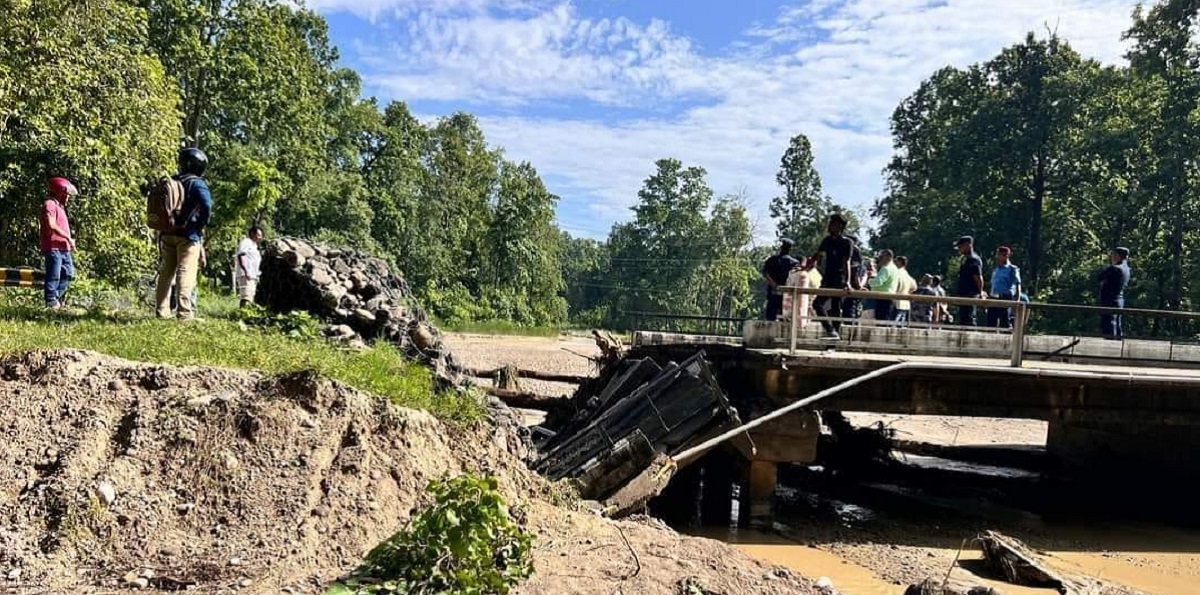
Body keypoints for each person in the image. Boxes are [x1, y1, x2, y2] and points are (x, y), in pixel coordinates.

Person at [155, 147, 213, 321]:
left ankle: (162, 310)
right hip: (188, 235)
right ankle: (184, 313)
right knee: (186, 271)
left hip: (167, 233)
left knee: (166, 272)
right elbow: (206, 206)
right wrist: (199, 224)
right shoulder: (197, 183)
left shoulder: (171, 181)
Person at [810, 214, 856, 340]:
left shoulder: (847, 242)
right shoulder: (827, 241)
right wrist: (806, 266)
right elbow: (817, 255)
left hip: (839, 278)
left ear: (840, 226)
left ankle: (833, 340)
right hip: (827, 278)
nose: (829, 226)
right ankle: (830, 329)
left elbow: (846, 262)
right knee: (817, 304)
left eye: (832, 224)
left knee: (836, 308)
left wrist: (847, 282)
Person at [39, 177, 78, 310]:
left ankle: (55, 299)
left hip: (64, 248)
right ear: (59, 192)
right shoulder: (49, 204)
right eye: (66, 194)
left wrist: (68, 241)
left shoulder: (60, 207)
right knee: (54, 275)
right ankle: (51, 301)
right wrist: (68, 237)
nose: (67, 197)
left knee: (69, 274)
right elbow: (51, 225)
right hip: (53, 247)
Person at [987, 246, 1022, 329]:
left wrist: (1017, 301)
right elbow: (993, 285)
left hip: (1005, 297)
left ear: (1006, 256)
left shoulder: (1012, 269)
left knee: (1005, 322)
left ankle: (1007, 340)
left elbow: (1018, 284)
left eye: (999, 255)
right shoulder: (996, 270)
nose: (997, 257)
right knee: (991, 322)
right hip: (993, 298)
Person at [1099, 247, 1131, 339]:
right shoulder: (1127, 269)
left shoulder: (1114, 269)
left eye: (1113, 255)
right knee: (1117, 325)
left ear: (1118, 256)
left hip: (1109, 301)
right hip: (1119, 301)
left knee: (1109, 326)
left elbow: (1099, 277)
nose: (1111, 257)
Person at [954, 236, 985, 326]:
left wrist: (980, 292)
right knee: (963, 319)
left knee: (969, 319)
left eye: (960, 246)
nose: (959, 249)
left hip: (970, 294)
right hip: (964, 294)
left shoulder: (973, 259)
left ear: (968, 245)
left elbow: (978, 278)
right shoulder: (965, 259)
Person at [234, 226, 264, 308]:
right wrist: (246, 271)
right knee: (246, 296)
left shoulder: (255, 246)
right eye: (258, 235)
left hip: (253, 275)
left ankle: (246, 314)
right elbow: (241, 255)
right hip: (246, 274)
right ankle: (242, 314)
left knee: (251, 296)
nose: (260, 237)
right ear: (252, 234)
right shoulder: (246, 242)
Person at [867, 249, 898, 322]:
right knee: (886, 321)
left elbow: (878, 282)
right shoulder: (894, 268)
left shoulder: (886, 268)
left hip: (883, 298)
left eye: (881, 257)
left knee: (881, 320)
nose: (879, 259)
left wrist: (868, 280)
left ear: (888, 257)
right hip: (890, 297)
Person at [893, 256, 918, 324]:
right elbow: (914, 287)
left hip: (896, 303)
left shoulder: (896, 273)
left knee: (892, 326)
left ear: (900, 262)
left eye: (895, 261)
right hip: (905, 304)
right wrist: (908, 291)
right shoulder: (907, 274)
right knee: (901, 327)